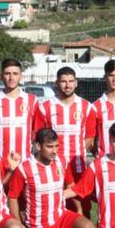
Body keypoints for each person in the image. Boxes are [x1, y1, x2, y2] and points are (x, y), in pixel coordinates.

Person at [7, 128, 97, 228]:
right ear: (38, 146)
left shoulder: (62, 161)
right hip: (39, 226)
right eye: (50, 146)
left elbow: (70, 186)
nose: (54, 151)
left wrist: (79, 209)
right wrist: (19, 224)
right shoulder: (24, 168)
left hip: (61, 216)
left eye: (56, 146)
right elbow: (13, 198)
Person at [34, 67, 94, 215]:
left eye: (70, 81)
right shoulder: (45, 107)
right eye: (63, 81)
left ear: (76, 83)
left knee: (82, 207)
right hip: (53, 166)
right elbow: (40, 137)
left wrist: (77, 153)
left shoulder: (86, 107)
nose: (67, 85)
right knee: (54, 206)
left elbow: (90, 139)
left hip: (77, 166)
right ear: (57, 83)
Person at [0, 58, 38, 167]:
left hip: (25, 162)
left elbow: (36, 131)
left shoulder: (32, 100)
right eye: (7, 73)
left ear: (21, 76)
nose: (11, 77)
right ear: (2, 76)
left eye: (15, 74)